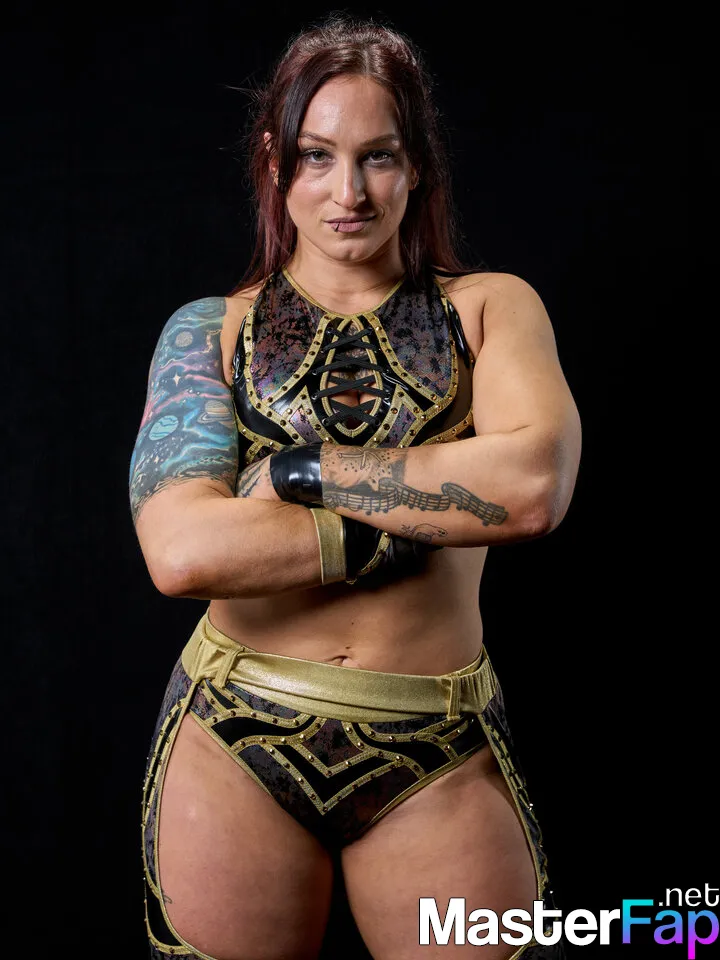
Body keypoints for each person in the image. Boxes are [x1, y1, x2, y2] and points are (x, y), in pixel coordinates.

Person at [130, 15, 581, 960]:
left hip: (436, 744)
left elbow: (533, 484)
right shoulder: (208, 331)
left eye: (378, 156)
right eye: (316, 156)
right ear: (274, 162)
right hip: (233, 734)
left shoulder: (488, 308)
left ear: (416, 165)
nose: (349, 193)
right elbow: (183, 551)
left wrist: (302, 474)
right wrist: (430, 515)